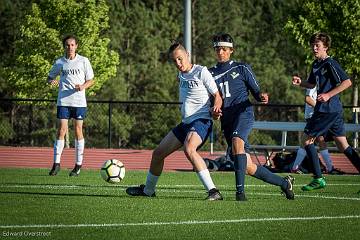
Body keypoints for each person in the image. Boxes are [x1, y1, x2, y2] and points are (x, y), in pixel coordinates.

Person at [126, 42, 224, 200]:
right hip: (185, 123)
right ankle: (148, 191)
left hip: (201, 121)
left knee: (189, 149)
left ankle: (213, 191)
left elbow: (217, 96)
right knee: (158, 154)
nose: (178, 63)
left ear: (188, 56)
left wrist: (216, 109)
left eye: (180, 59)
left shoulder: (201, 71)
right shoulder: (181, 75)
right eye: (175, 61)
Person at [209, 33, 294, 201]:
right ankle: (284, 183)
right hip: (227, 120)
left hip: (243, 113)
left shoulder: (242, 68)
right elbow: (213, 102)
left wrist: (262, 96)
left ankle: (240, 194)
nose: (220, 52)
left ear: (231, 50)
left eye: (224, 49)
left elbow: (256, 92)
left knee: (237, 142)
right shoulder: (209, 73)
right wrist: (215, 112)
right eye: (218, 49)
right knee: (246, 166)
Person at [292, 32, 360, 191]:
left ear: (326, 47)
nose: (314, 48)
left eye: (318, 46)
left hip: (328, 109)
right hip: (332, 110)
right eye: (313, 45)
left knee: (307, 140)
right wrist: (301, 82)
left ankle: (318, 178)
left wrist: (329, 94)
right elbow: (311, 84)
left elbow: (347, 82)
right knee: (343, 145)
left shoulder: (330, 63)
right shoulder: (316, 64)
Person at [48, 34, 95, 177]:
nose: (70, 47)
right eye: (67, 45)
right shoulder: (60, 62)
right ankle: (56, 164)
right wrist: (52, 81)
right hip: (63, 101)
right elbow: (50, 78)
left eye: (72, 45)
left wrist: (82, 86)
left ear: (76, 46)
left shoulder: (83, 61)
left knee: (77, 130)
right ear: (65, 47)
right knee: (61, 130)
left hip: (79, 102)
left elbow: (91, 80)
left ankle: (78, 166)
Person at [291, 86, 344, 175]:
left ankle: (329, 168)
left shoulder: (319, 81)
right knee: (310, 141)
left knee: (319, 141)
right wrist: (321, 108)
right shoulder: (315, 82)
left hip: (317, 116)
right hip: (314, 116)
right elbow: (308, 98)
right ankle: (295, 167)